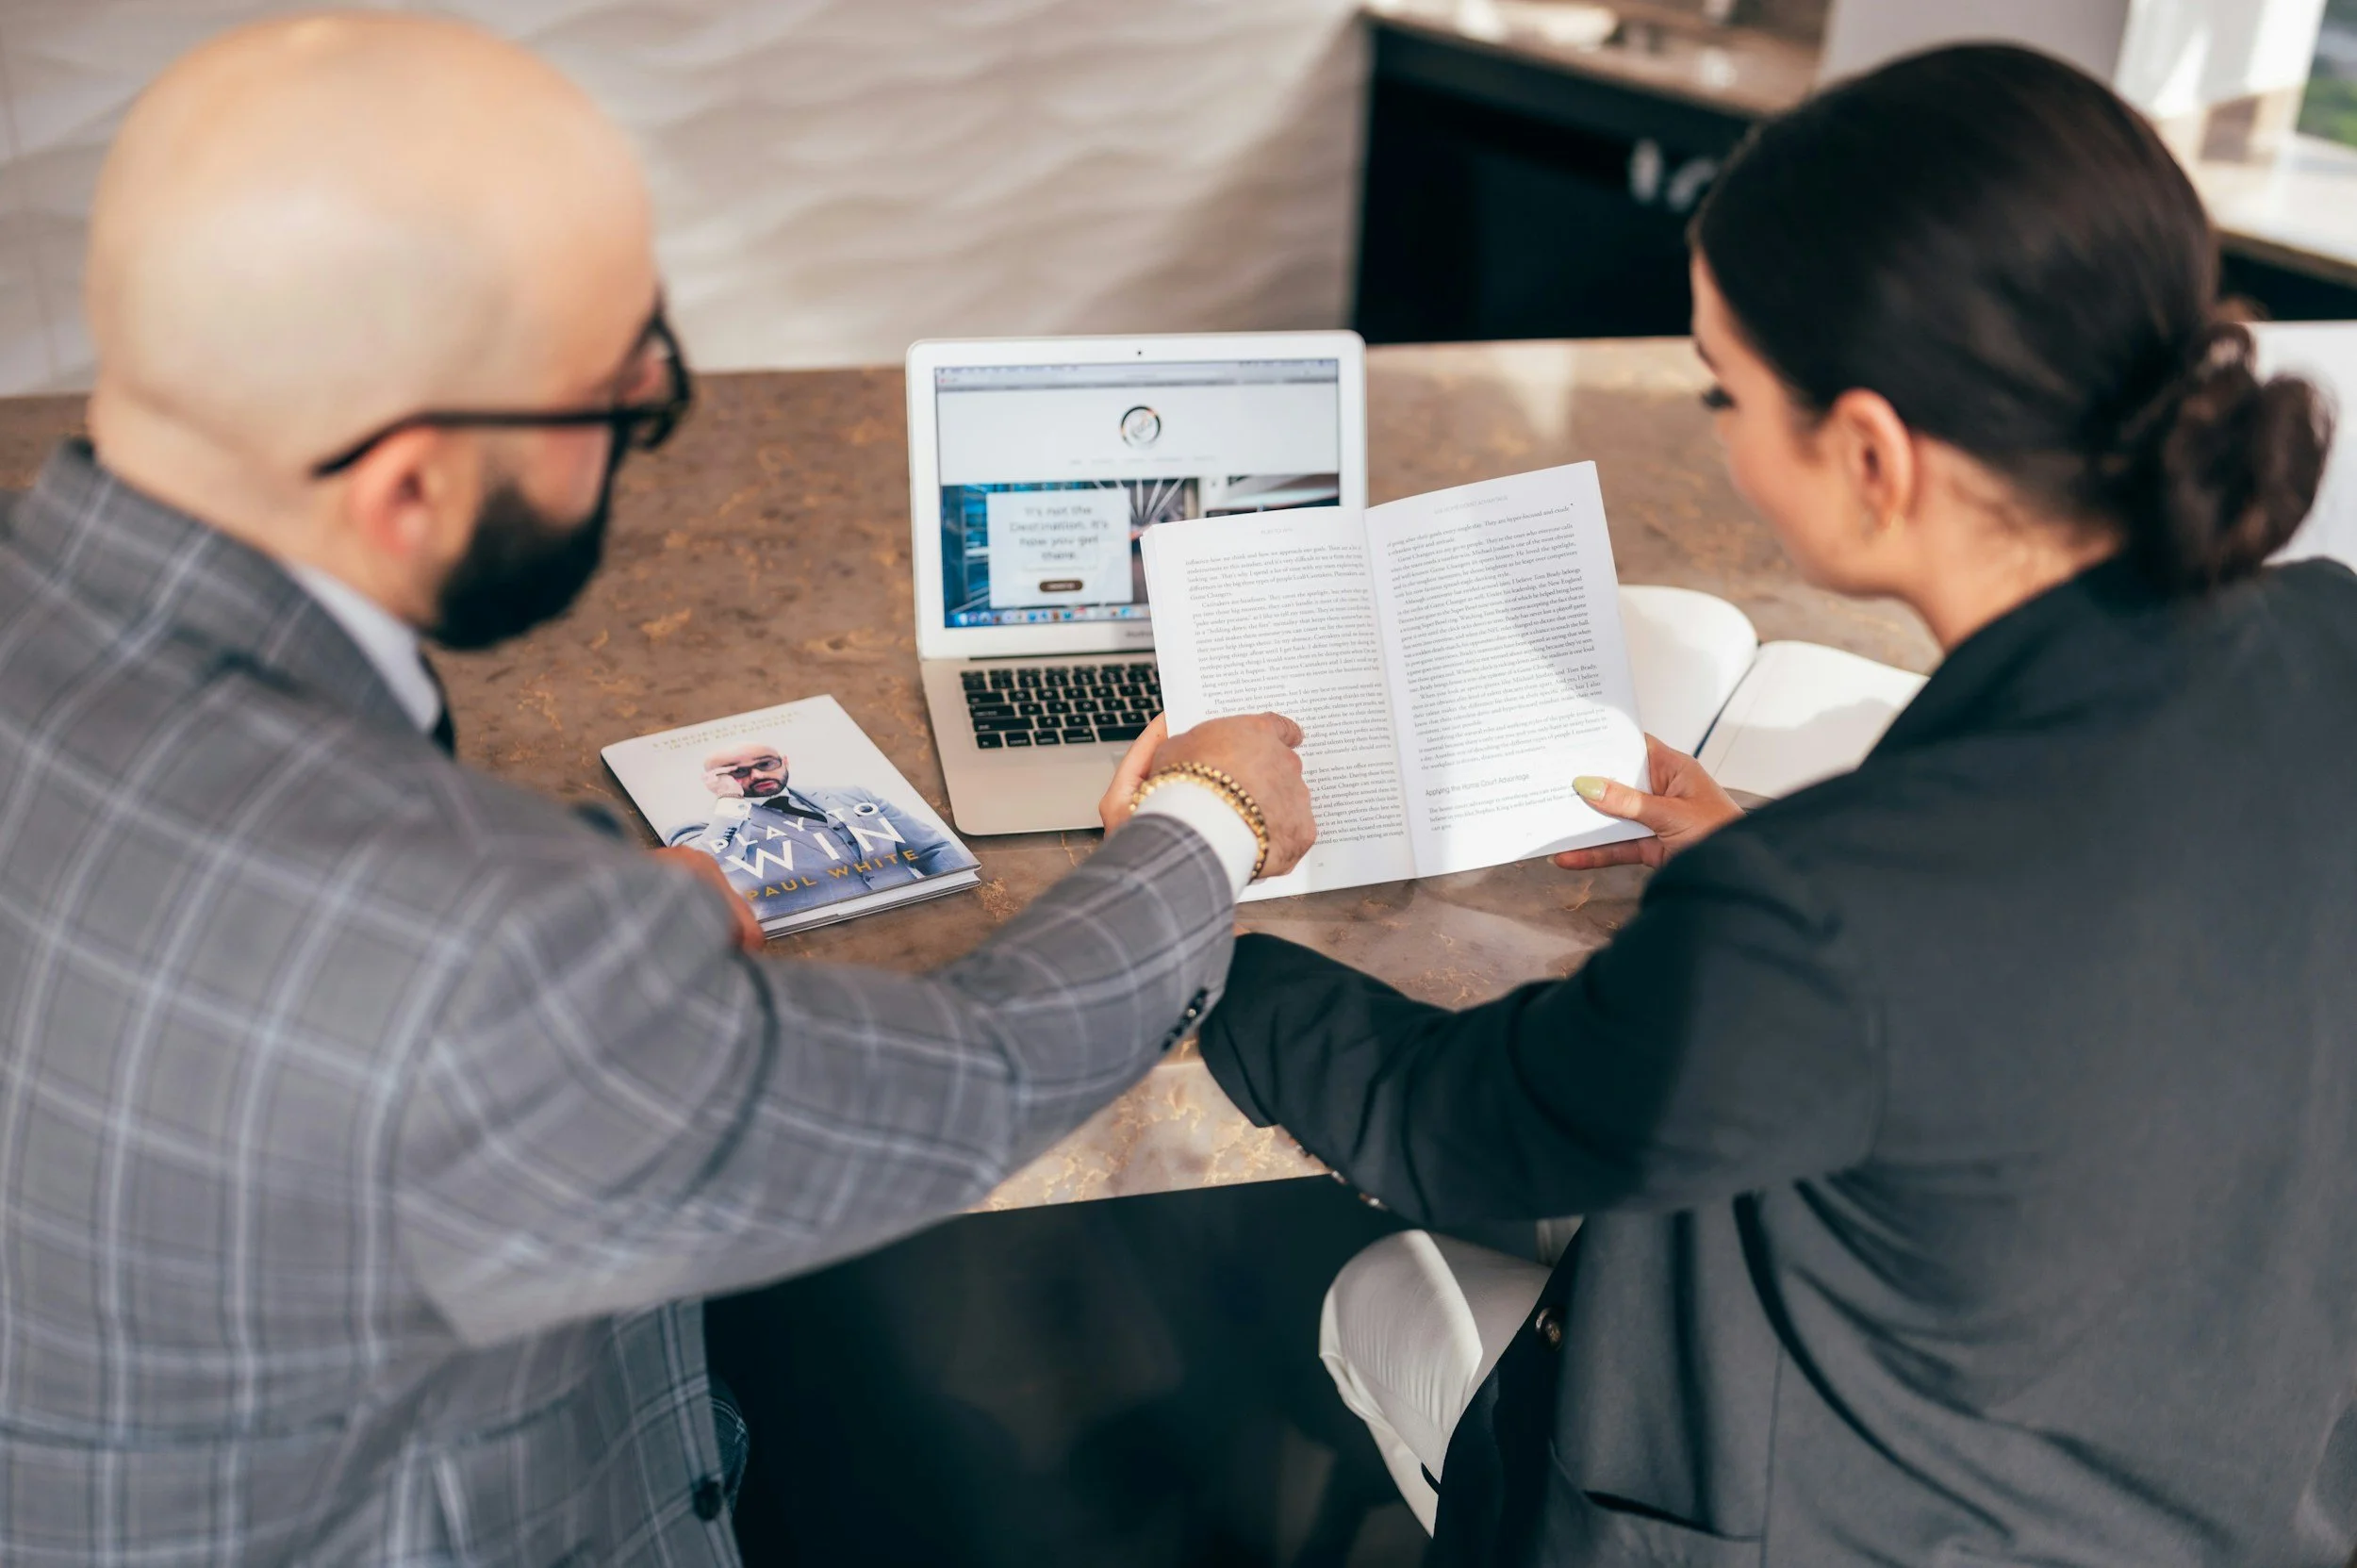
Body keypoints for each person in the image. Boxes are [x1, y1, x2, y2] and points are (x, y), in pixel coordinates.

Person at [0, 14, 1312, 1565]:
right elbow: (963, 1074)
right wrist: (1207, 820)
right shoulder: (492, 954)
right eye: (625, 406)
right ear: (409, 480)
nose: (636, 437)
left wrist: (580, 963)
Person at [1194, 43, 2357, 1567]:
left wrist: (1191, 903)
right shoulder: (2328, 637)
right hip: (2234, 1494)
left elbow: (1450, 1121)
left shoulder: (1828, 913)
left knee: (1381, 1286)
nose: (1720, 432)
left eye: (1723, 388)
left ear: (1870, 452)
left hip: (1845, 1526)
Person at [672, 742, 966, 914]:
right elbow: (707, 868)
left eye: (767, 763)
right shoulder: (700, 828)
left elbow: (932, 849)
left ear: (784, 761)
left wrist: (957, 899)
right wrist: (729, 800)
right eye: (738, 772)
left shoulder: (852, 795)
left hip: (923, 911)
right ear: (713, 779)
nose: (758, 774)